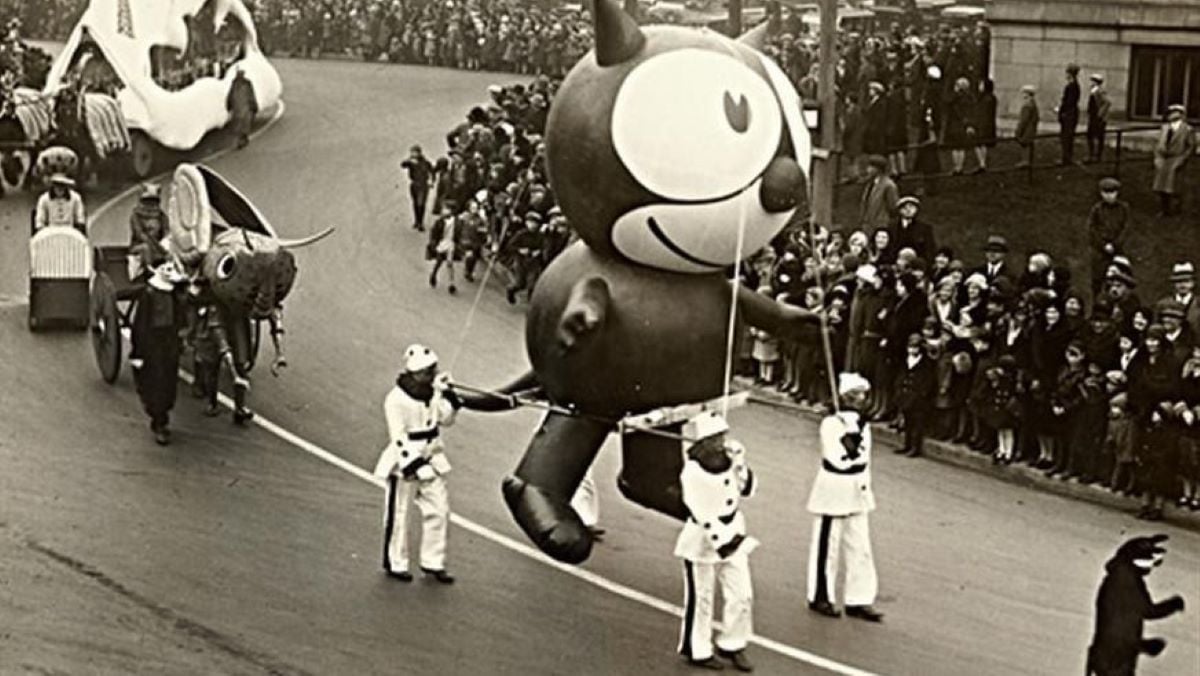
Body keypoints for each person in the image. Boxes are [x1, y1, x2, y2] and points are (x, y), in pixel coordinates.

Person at [373, 345, 465, 584]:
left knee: (439, 510)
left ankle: (433, 562)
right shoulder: (395, 399)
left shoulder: (432, 393)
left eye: (432, 370)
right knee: (400, 514)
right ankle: (396, 562)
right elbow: (398, 436)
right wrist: (413, 464)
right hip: (406, 462)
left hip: (433, 456)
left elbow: (445, 420)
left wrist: (450, 396)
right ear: (414, 372)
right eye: (426, 371)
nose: (431, 375)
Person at [674, 411, 757, 672]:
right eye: (715, 438)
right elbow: (700, 511)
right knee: (702, 598)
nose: (721, 442)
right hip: (703, 540)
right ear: (703, 442)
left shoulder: (729, 461)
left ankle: (733, 643)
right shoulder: (692, 472)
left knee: (742, 594)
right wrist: (722, 541)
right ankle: (697, 648)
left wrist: (741, 464)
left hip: (734, 532)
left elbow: (748, 490)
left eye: (723, 435)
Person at [806, 373, 883, 622]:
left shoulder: (863, 423)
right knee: (827, 546)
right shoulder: (831, 423)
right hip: (834, 489)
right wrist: (850, 436)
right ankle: (820, 596)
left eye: (864, 394)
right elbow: (837, 459)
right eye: (858, 394)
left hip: (858, 489)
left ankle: (859, 599)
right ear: (847, 397)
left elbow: (865, 460)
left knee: (860, 547)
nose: (863, 399)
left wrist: (856, 430)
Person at [129, 260, 186, 445]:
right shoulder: (149, 294)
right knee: (157, 380)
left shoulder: (175, 292)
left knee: (169, 380)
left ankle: (163, 413)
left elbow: (181, 315)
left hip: (170, 341)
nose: (169, 272)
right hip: (153, 343)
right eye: (166, 269)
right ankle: (160, 421)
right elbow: (140, 324)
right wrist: (138, 352)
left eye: (171, 268)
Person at [894, 333, 937, 457]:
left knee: (917, 424)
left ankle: (915, 447)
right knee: (907, 422)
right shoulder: (905, 360)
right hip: (905, 396)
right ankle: (907, 445)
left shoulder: (926, 363)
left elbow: (928, 381)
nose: (912, 349)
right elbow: (900, 376)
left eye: (915, 347)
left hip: (918, 398)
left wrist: (922, 394)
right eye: (910, 346)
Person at [1087, 178, 1130, 295]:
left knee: (1119, 277)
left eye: (1112, 192)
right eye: (1106, 193)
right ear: (1101, 194)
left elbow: (1126, 229)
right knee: (1098, 279)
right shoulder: (1097, 209)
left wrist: (1115, 245)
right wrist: (1103, 245)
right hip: (1099, 251)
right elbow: (1092, 230)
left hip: (1118, 250)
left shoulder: (1123, 209)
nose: (1109, 196)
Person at [1152, 104, 1195, 217]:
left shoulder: (1187, 129)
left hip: (1176, 158)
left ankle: (1176, 208)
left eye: (1175, 112)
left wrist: (1183, 158)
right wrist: (1157, 156)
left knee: (1174, 185)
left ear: (1181, 115)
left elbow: (1190, 146)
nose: (1171, 115)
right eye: (1170, 113)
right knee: (1161, 185)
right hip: (1163, 158)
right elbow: (1157, 143)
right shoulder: (1165, 128)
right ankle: (1164, 208)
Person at [858, 155, 898, 232]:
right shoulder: (870, 183)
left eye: (871, 167)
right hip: (867, 224)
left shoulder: (888, 185)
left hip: (880, 225)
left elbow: (893, 207)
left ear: (878, 169)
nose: (868, 170)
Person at [890, 196, 936, 262]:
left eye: (911, 207)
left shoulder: (925, 228)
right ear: (900, 210)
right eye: (904, 207)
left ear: (916, 209)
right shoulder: (892, 228)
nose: (908, 210)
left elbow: (929, 250)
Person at [427, 202, 459, 294]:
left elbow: (459, 231)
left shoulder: (456, 222)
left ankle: (451, 283)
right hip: (441, 243)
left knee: (449, 262)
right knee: (439, 260)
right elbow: (433, 234)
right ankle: (434, 273)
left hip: (451, 243)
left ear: (451, 211)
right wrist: (433, 244)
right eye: (443, 209)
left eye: (446, 209)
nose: (443, 211)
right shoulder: (439, 222)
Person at [400, 145, 434, 231]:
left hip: (423, 185)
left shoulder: (426, 163)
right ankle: (417, 221)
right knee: (415, 203)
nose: (413, 154)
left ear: (419, 153)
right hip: (414, 184)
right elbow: (403, 165)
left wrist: (431, 181)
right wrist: (409, 160)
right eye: (412, 152)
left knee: (421, 204)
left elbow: (432, 172)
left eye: (415, 152)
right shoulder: (411, 162)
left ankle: (421, 223)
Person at [226, 68, 257, 150]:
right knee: (242, 125)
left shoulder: (238, 84)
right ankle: (241, 140)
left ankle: (241, 139)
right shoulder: (242, 84)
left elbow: (230, 96)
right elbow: (251, 96)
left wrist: (228, 106)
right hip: (242, 108)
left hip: (240, 109)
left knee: (241, 125)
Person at [1056, 63, 1081, 165]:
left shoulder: (1072, 87)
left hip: (1069, 114)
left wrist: (1062, 111)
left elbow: (1069, 102)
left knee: (1066, 137)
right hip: (1071, 113)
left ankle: (1066, 158)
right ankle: (1067, 157)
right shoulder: (1074, 86)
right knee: (1067, 137)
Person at [1085, 73, 1111, 163]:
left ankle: (1097, 156)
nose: (1091, 82)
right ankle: (1092, 155)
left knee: (1099, 136)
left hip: (1098, 118)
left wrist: (1100, 114)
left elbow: (1107, 102)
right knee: (1090, 136)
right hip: (1093, 116)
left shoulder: (1099, 91)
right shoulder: (1094, 91)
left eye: (1093, 80)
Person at [1014, 85, 1039, 167]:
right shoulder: (1033, 104)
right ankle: (1027, 160)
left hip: (1027, 128)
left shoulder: (1027, 105)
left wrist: (1019, 129)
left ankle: (1025, 161)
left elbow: (1024, 120)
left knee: (1024, 144)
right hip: (1031, 128)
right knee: (1028, 144)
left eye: (1024, 93)